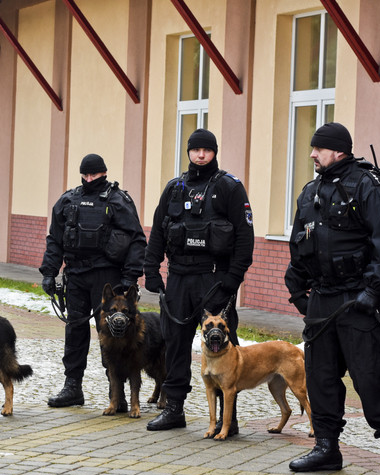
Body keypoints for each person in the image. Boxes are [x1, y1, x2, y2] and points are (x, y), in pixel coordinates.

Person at [285, 122, 380, 475]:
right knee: (320, 378)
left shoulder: (368, 186)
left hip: (359, 299)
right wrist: (296, 289)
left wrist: (374, 290)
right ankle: (326, 447)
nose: (311, 154)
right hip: (322, 299)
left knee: (370, 379)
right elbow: (298, 244)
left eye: (317, 149)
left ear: (338, 150)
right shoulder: (310, 191)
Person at [143, 128, 254, 432]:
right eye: (196, 150)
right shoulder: (175, 188)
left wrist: (234, 277)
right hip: (179, 277)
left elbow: (245, 237)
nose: (201, 155)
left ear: (214, 152)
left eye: (206, 150)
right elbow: (158, 233)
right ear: (189, 152)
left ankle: (226, 420)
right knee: (175, 344)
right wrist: (151, 270)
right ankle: (174, 408)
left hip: (214, 278)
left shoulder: (229, 187)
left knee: (223, 345)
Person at [40, 153, 147, 408]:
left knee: (112, 332)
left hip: (106, 277)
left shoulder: (118, 201)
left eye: (94, 175)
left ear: (104, 173)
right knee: (75, 331)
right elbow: (55, 238)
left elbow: (137, 240)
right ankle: (72, 387)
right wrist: (48, 271)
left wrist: (129, 278)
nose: (89, 179)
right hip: (75, 275)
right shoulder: (68, 200)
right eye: (85, 175)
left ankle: (116, 392)